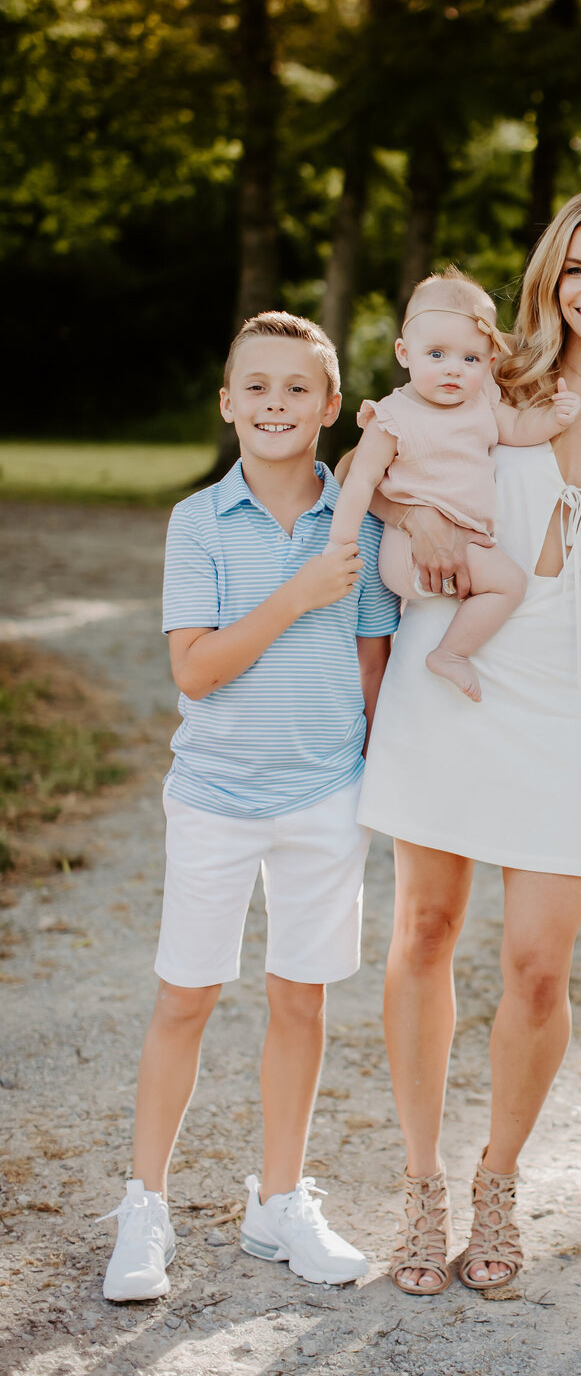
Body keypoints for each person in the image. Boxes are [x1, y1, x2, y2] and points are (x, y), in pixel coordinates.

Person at [342, 185, 581, 1297]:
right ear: (548, 276)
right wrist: (409, 517)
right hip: (454, 675)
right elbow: (374, 464)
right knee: (425, 928)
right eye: (578, 267)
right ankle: (423, 1185)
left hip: (573, 706)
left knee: (537, 967)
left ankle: (498, 1180)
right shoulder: (490, 375)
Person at [101, 313, 398, 1302]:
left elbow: (370, 660)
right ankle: (146, 1205)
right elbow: (197, 667)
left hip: (324, 794)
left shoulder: (356, 521)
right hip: (218, 796)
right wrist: (296, 594)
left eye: (295, 389)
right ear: (229, 405)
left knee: (298, 997)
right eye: (255, 388)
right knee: (186, 994)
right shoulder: (200, 522)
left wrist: (369, 765)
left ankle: (278, 1202)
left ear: (325, 407)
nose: (275, 404)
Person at [327, 272, 581, 702]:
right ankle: (451, 653)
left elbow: (518, 427)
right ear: (405, 354)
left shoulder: (481, 403)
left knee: (501, 581)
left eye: (470, 359)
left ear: (488, 364)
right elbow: (360, 480)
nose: (453, 369)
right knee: (510, 584)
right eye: (437, 354)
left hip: (463, 539)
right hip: (411, 548)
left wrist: (555, 420)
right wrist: (340, 546)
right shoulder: (393, 416)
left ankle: (449, 645)